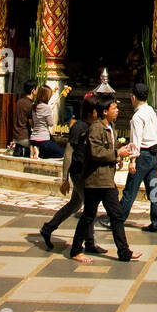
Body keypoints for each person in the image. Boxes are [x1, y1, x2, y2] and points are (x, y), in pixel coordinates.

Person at [70, 96, 140, 263]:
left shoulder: (111, 127)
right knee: (88, 216)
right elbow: (96, 152)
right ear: (105, 111)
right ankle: (75, 250)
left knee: (116, 216)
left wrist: (118, 157)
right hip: (95, 181)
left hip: (107, 180)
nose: (117, 111)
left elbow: (107, 150)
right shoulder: (96, 128)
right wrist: (116, 154)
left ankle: (124, 252)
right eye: (114, 108)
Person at [39, 98, 106, 254]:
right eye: (97, 110)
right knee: (90, 207)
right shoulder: (79, 127)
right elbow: (68, 153)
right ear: (92, 112)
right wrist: (65, 178)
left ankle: (48, 228)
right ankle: (89, 243)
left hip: (86, 172)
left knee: (74, 205)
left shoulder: (92, 126)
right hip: (78, 173)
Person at [115, 82, 157, 234]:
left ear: (133, 97)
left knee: (130, 190)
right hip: (153, 155)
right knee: (154, 189)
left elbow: (135, 141)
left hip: (142, 156)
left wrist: (132, 161)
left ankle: (117, 220)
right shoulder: (154, 111)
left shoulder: (137, 117)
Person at [29, 83, 64, 159]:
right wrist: (51, 111)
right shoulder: (46, 108)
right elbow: (51, 123)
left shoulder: (34, 106)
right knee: (60, 153)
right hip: (43, 139)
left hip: (33, 138)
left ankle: (35, 150)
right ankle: (39, 152)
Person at [11, 79, 38, 158]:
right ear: (33, 90)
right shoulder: (30, 104)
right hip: (24, 136)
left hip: (16, 135)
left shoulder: (19, 102)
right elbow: (31, 122)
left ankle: (19, 149)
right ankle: (25, 151)